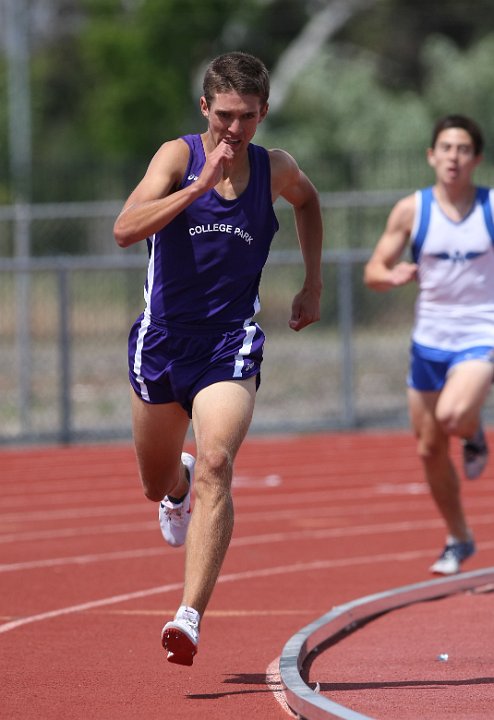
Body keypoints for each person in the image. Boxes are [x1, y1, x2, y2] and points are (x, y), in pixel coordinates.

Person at [113, 51, 323, 665]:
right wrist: (198, 188)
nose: (235, 129)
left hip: (229, 342)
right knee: (158, 482)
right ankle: (174, 491)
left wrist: (312, 282)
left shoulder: (273, 168)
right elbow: (126, 229)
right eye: (226, 115)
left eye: (249, 117)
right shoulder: (176, 157)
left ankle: (188, 615)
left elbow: (307, 202)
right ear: (205, 107)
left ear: (263, 113)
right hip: (161, 343)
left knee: (217, 460)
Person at [364, 114, 493, 576]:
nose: (454, 157)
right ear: (431, 156)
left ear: (476, 158)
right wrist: (392, 275)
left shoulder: (490, 207)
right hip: (429, 342)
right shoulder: (412, 210)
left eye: (463, 149)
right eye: (446, 148)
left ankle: (473, 428)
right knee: (429, 449)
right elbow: (374, 270)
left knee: (453, 416)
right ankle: (459, 536)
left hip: (482, 334)